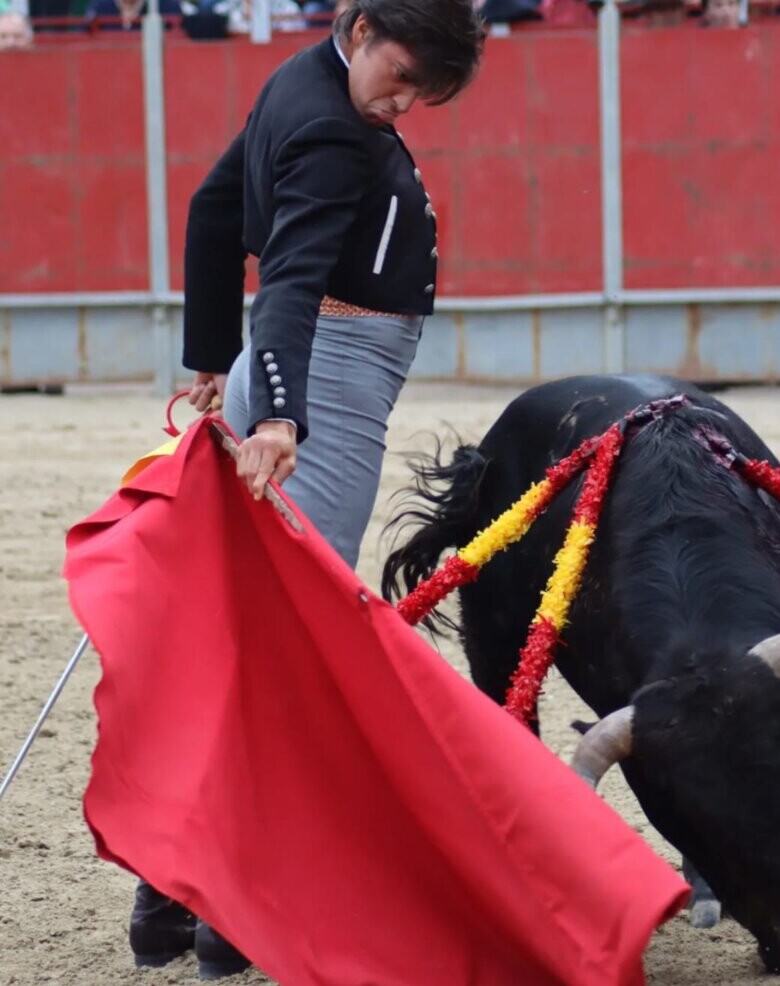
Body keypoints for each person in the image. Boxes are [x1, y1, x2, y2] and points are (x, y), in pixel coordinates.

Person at [127, 0, 484, 979]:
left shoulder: (305, 79)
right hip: (319, 390)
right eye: (401, 79)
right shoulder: (334, 125)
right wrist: (280, 415)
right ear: (360, 27)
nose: (404, 103)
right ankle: (223, 915)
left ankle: (169, 894)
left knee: (245, 630)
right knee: (288, 646)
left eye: (424, 96)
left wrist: (214, 360)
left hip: (286, 372)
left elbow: (212, 206)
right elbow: (287, 280)